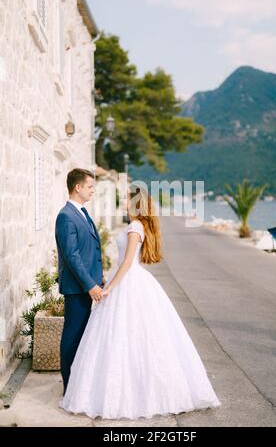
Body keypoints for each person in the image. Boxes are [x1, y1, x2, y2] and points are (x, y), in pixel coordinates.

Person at [60, 185, 221, 419]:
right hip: (129, 279)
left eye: (127, 198)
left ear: (136, 202)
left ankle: (132, 393)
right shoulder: (135, 225)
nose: (124, 201)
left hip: (128, 281)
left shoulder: (135, 226)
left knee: (128, 335)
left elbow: (126, 263)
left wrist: (109, 288)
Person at [55, 168, 106, 394]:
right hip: (77, 289)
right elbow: (72, 256)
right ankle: (68, 388)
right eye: (90, 186)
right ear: (78, 187)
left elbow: (90, 249)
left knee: (84, 337)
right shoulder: (66, 216)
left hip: (88, 285)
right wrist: (90, 285)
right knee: (73, 337)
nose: (93, 190)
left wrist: (99, 278)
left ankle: (78, 385)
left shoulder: (82, 212)